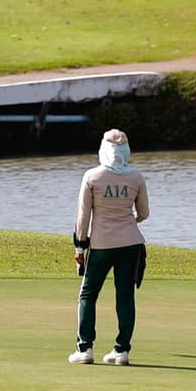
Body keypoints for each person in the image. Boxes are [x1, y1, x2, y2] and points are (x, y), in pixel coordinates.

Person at [70, 128, 150, 365]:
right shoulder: (136, 177)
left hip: (102, 244)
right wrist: (125, 220)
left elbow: (83, 217)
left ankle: (85, 349)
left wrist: (79, 248)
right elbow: (144, 213)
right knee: (125, 296)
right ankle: (121, 351)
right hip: (131, 243)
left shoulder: (92, 176)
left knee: (87, 294)